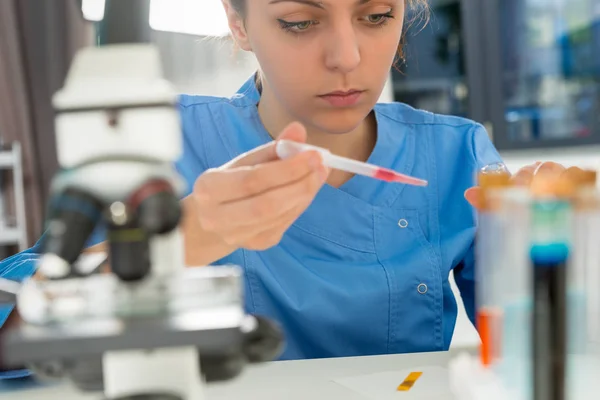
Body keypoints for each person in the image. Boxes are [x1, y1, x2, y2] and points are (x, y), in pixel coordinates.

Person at [0, 0, 561, 363]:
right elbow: (12, 326)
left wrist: (558, 240)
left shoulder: (453, 152)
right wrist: (172, 246)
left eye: (376, 16)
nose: (347, 56)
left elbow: (535, 354)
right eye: (299, 21)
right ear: (238, 23)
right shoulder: (162, 142)